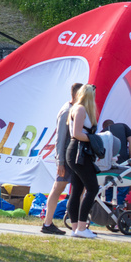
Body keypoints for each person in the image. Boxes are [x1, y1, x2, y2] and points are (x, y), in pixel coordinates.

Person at [41, 82, 83, 235]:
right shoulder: (67, 111)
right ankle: (47, 223)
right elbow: (59, 138)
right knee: (58, 188)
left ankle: (77, 224)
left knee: (74, 189)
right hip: (65, 157)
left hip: (69, 156)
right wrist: (60, 161)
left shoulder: (73, 109)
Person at [65, 84, 101, 239]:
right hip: (79, 152)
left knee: (78, 190)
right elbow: (76, 133)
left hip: (80, 151)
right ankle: (81, 226)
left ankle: (76, 228)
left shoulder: (80, 109)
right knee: (92, 188)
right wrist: (94, 139)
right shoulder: (80, 109)